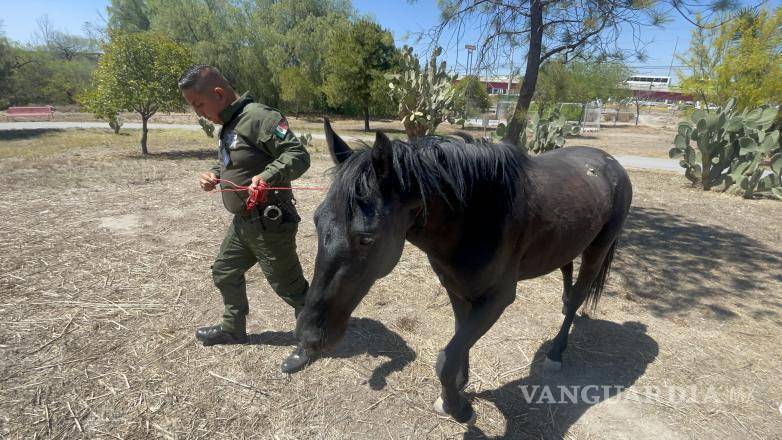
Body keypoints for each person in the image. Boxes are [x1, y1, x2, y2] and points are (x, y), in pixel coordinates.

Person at [178, 64, 315, 373]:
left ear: (218, 93)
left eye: (199, 104)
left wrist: (268, 176)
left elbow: (298, 155)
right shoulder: (228, 124)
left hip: (269, 223)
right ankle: (232, 327)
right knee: (225, 271)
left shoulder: (260, 117)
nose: (198, 113)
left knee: (290, 287)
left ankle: (311, 339)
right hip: (243, 223)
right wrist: (214, 175)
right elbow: (231, 161)